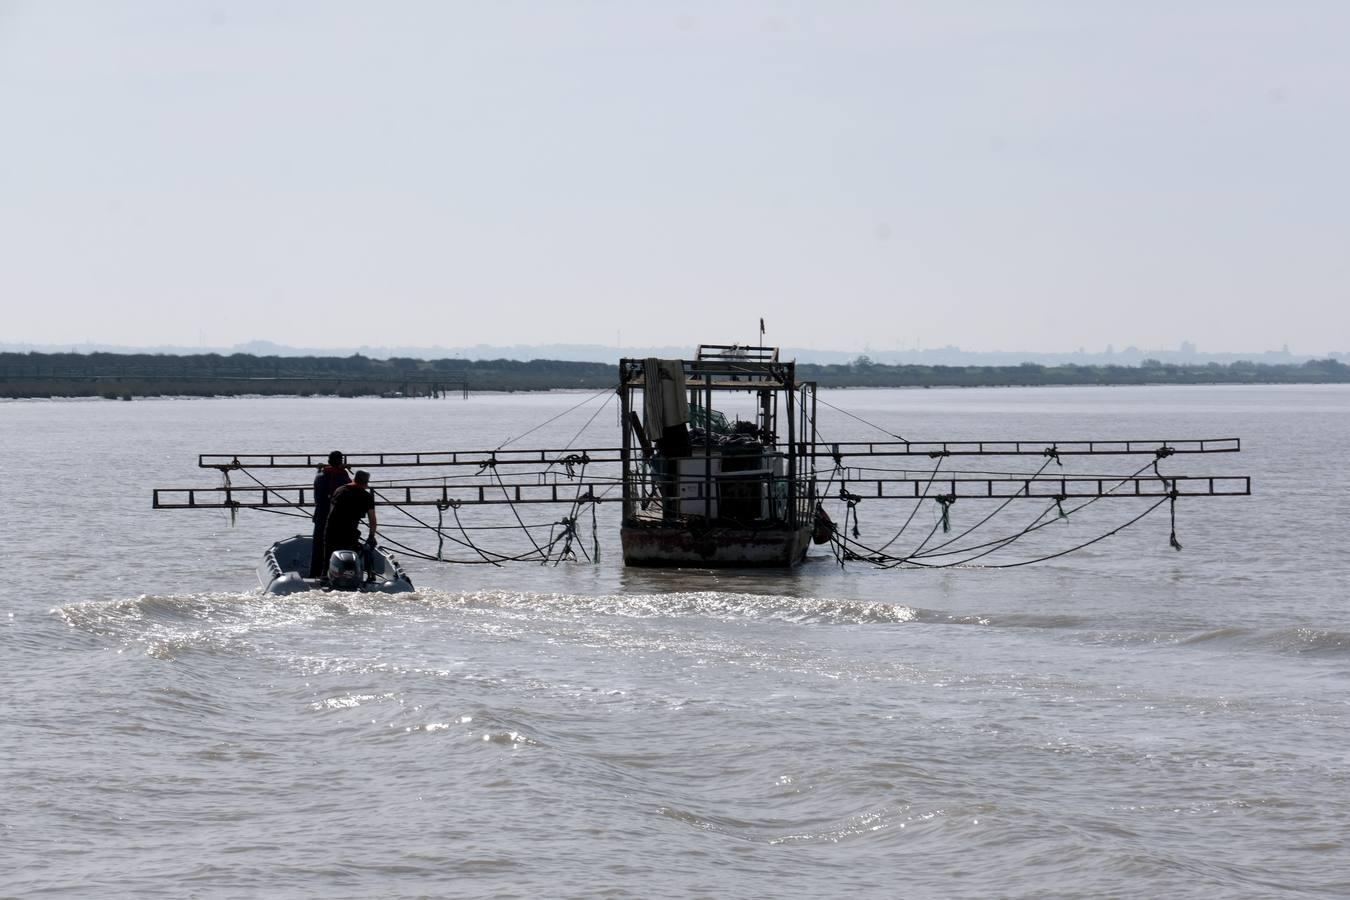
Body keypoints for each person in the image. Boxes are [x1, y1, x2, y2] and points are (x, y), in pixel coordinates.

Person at [309, 451, 351, 577]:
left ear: (328, 461)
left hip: (321, 514)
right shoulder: (344, 477)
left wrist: (320, 469)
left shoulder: (320, 476)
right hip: (339, 516)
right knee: (339, 544)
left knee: (318, 544)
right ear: (341, 462)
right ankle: (338, 574)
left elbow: (317, 487)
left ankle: (315, 573)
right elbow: (352, 486)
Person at [324, 469, 378, 568]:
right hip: (349, 534)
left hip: (331, 532)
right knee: (349, 562)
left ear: (354, 479)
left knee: (329, 559)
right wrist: (371, 536)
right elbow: (373, 521)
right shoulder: (367, 497)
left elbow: (330, 513)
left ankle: (325, 576)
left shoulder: (339, 490)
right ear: (365, 483)